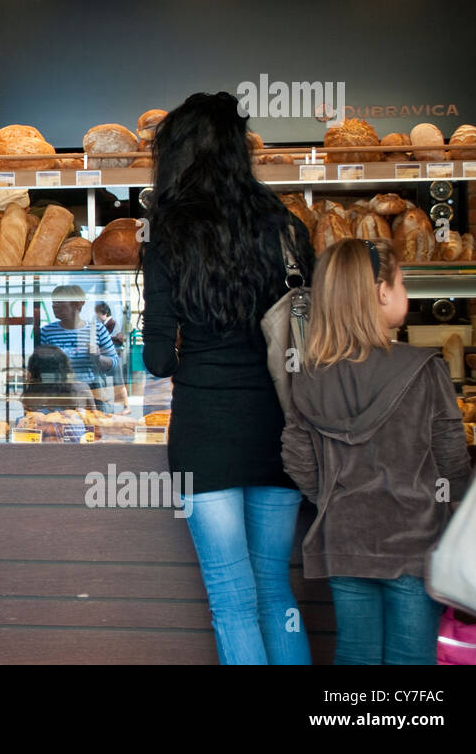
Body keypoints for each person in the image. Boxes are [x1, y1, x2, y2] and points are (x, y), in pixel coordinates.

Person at [140, 90, 315, 666]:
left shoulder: (166, 231)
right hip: (281, 432)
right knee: (275, 593)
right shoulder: (284, 225)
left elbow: (160, 360)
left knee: (232, 602)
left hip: (206, 434)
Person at [281, 238, 471, 665]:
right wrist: (447, 505)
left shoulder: (310, 374)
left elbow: (296, 455)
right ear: (382, 292)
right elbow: (452, 459)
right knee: (412, 658)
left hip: (344, 538)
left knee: (355, 652)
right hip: (414, 541)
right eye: (403, 284)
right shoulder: (426, 368)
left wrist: (333, 497)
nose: (404, 293)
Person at [40, 285, 123, 410]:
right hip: (60, 398)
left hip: (93, 397)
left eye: (59, 301)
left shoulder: (97, 330)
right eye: (53, 302)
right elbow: (39, 368)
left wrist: (98, 358)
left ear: (78, 304)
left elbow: (114, 364)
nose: (54, 306)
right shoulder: (47, 332)